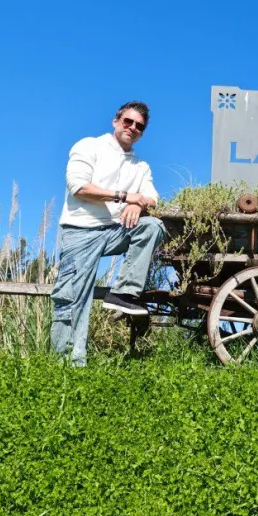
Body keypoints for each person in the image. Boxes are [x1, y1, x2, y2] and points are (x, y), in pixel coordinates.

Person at [50, 100, 167, 366]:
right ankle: (66, 365)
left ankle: (123, 293)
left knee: (152, 226)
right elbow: (79, 187)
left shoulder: (141, 166)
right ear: (116, 121)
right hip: (80, 230)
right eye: (128, 121)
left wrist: (138, 204)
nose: (132, 127)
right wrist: (125, 197)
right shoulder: (89, 146)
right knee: (72, 297)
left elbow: (152, 198)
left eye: (139, 126)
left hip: (116, 230)